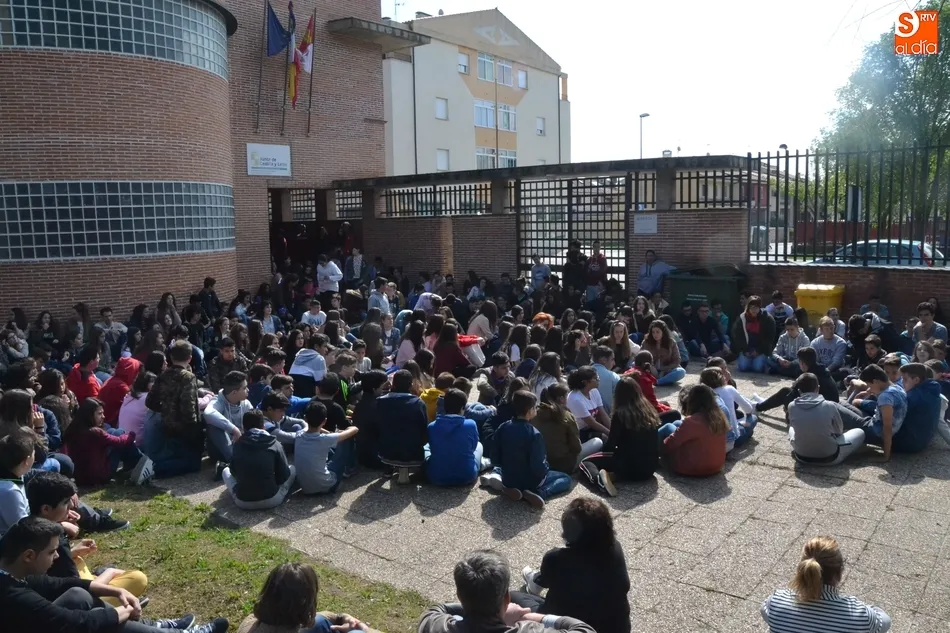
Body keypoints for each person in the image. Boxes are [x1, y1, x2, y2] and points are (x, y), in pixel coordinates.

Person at [0, 516, 228, 633]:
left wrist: (115, 591)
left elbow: (57, 584)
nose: (57, 556)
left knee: (79, 594)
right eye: (51, 552)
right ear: (29, 555)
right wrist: (123, 611)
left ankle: (154, 627)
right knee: (104, 625)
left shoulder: (10, 571)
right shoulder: (13, 596)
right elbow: (74, 623)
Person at [26, 472, 148, 604]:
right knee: (138, 578)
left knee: (77, 559)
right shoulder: (55, 539)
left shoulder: (26, 526)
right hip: (69, 602)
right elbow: (78, 591)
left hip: (49, 591)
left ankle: (98, 578)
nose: (71, 506)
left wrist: (73, 551)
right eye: (66, 502)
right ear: (45, 509)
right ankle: (119, 602)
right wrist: (110, 573)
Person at [520, 498, 630, 633]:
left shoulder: (555, 558)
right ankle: (536, 580)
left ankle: (535, 581)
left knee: (513, 598)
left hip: (571, 627)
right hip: (617, 628)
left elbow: (548, 581)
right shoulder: (615, 548)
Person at [418, 550, 596, 633]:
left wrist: (479, 608)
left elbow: (439, 609)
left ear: (460, 596)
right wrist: (533, 618)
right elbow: (583, 629)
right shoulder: (530, 630)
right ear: (507, 598)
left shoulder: (434, 626)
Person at [762, 536, 890, 633]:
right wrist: (870, 608)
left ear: (802, 569)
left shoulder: (776, 601)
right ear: (839, 574)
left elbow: (765, 612)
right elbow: (885, 622)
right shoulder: (860, 615)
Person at [480, 390, 573, 510]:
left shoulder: (503, 427)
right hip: (531, 481)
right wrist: (546, 469)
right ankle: (541, 493)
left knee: (511, 470)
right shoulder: (534, 434)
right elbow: (538, 467)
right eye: (535, 407)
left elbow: (494, 456)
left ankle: (508, 487)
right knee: (566, 478)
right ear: (530, 411)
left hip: (508, 477)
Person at [237, 562, 378, 633]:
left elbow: (320, 618)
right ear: (305, 603)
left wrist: (341, 617)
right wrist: (363, 629)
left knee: (322, 622)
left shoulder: (250, 624)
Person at [580, 376, 663, 494]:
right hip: (650, 468)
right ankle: (613, 475)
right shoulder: (649, 411)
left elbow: (611, 445)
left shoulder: (621, 414)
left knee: (586, 462)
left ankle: (598, 480)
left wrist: (603, 453)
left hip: (630, 466)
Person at [143, 340, 202, 479]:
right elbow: (188, 408)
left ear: (171, 357)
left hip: (167, 425)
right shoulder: (188, 377)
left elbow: (150, 401)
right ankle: (153, 470)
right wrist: (194, 428)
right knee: (193, 464)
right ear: (190, 358)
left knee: (178, 455)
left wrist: (167, 409)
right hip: (185, 428)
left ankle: (154, 466)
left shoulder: (163, 375)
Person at [63, 397, 152, 486]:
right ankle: (141, 462)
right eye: (99, 414)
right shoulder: (94, 432)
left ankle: (134, 465)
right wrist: (131, 435)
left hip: (80, 477)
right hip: (99, 477)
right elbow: (119, 442)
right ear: (89, 415)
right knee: (120, 433)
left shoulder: (73, 429)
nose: (103, 416)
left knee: (112, 430)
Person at [222, 410, 295, 511]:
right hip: (272, 499)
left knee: (225, 471)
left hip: (243, 502)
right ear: (263, 426)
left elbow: (234, 472)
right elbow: (284, 476)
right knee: (292, 469)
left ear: (243, 427)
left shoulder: (237, 444)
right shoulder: (274, 443)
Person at [787, 372, 866, 465]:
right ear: (818, 388)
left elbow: (793, 425)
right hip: (830, 457)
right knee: (860, 432)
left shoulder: (791, 406)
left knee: (791, 428)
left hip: (801, 456)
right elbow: (839, 431)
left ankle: (805, 445)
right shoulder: (829, 405)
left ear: (799, 390)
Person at [832, 364, 907, 461]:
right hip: (874, 422)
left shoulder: (885, 397)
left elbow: (887, 427)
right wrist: (869, 393)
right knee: (841, 403)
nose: (869, 388)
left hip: (875, 433)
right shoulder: (897, 387)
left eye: (869, 385)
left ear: (876, 381)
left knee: (833, 406)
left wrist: (886, 456)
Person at [660, 384, 728, 477]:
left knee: (668, 427)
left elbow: (671, 443)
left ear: (692, 401)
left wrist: (662, 448)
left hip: (692, 468)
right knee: (677, 423)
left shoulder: (692, 421)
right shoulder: (719, 417)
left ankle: (648, 453)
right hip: (716, 466)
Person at [530, 384, 598, 475]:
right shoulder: (566, 416)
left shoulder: (533, 415)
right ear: (561, 399)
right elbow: (577, 448)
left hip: (542, 462)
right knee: (598, 441)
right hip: (564, 465)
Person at [293, 401, 358, 496]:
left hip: (306, 488)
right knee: (346, 440)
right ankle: (350, 468)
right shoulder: (325, 439)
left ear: (305, 418)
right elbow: (355, 429)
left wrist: (330, 433)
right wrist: (341, 432)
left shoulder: (299, 434)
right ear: (324, 421)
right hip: (328, 486)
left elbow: (306, 427)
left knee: (327, 450)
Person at [754, 347, 840, 415]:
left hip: (822, 410)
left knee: (785, 392)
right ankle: (764, 404)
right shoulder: (819, 369)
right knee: (788, 392)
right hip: (830, 406)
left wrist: (787, 405)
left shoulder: (809, 377)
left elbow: (793, 393)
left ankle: (757, 408)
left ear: (802, 363)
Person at [426, 388, 484, 486]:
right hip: (467, 476)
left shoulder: (432, 426)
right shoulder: (471, 424)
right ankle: (480, 464)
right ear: (462, 408)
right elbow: (473, 447)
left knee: (426, 448)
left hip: (437, 476)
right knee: (479, 445)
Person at [203, 371, 252, 477]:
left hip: (240, 447)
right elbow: (208, 413)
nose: (248, 390)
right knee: (213, 426)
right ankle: (235, 463)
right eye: (244, 388)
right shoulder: (217, 401)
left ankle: (228, 467)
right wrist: (234, 429)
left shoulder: (246, 404)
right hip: (220, 450)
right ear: (234, 392)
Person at [377, 370, 429, 466]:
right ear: (411, 385)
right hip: (414, 455)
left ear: (393, 384)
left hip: (386, 453)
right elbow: (424, 431)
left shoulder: (380, 402)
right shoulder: (419, 403)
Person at [699, 367, 756, 453]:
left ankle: (742, 427)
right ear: (721, 378)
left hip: (712, 439)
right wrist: (749, 414)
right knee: (753, 418)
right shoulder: (729, 389)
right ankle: (745, 430)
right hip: (733, 438)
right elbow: (748, 408)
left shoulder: (700, 395)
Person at [891, 362, 943, 454]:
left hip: (907, 443)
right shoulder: (932, 391)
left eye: (905, 379)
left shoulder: (913, 396)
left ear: (916, 380)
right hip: (923, 440)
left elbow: (888, 411)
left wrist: (865, 403)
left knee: (864, 416)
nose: (902, 382)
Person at [0, 428, 34, 537]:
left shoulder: (14, 472)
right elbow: (23, 530)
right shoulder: (9, 491)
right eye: (34, 453)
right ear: (27, 461)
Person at [731, 296, 776, 373]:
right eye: (751, 307)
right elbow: (737, 335)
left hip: (761, 350)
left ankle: (764, 362)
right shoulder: (742, 318)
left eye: (756, 307)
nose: (753, 310)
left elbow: (769, 338)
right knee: (743, 367)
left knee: (757, 368)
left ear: (759, 307)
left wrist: (758, 351)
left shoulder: (767, 318)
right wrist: (745, 350)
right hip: (746, 349)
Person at [98, 357, 141, 427]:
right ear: (130, 372)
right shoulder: (121, 387)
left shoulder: (113, 379)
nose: (137, 375)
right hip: (108, 424)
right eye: (136, 371)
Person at [117, 370, 156, 447]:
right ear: (145, 384)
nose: (156, 385)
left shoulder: (130, 396)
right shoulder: (148, 398)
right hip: (137, 443)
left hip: (121, 437)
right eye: (153, 382)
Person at [641, 320, 686, 385]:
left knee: (681, 372)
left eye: (657, 332)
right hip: (650, 371)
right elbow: (640, 358)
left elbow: (677, 360)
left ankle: (658, 382)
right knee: (636, 370)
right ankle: (660, 380)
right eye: (653, 332)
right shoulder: (646, 342)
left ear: (663, 332)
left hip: (667, 371)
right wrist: (651, 367)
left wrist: (664, 369)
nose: (655, 334)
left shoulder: (671, 342)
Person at [591, 346, 621, 413]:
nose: (614, 363)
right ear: (603, 360)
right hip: (608, 415)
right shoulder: (613, 377)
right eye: (612, 359)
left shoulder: (582, 373)